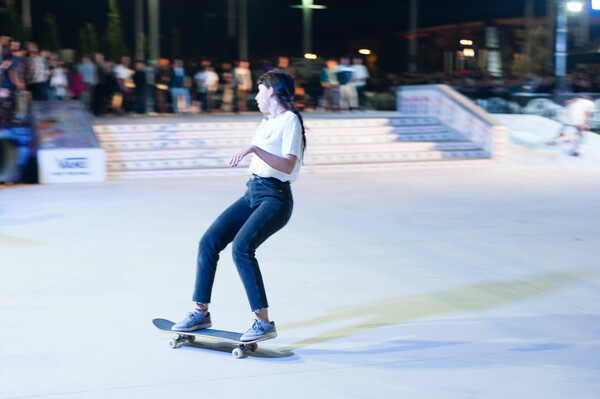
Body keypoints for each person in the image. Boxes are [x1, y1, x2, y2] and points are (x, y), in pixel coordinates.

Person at [172, 69, 306, 341]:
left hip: (275, 197)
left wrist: (255, 150)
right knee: (209, 241)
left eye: (258, 91)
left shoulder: (289, 120)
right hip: (253, 192)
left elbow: (288, 163)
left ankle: (263, 322)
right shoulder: (266, 121)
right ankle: (200, 313)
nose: (255, 97)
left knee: (242, 248)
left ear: (271, 90)